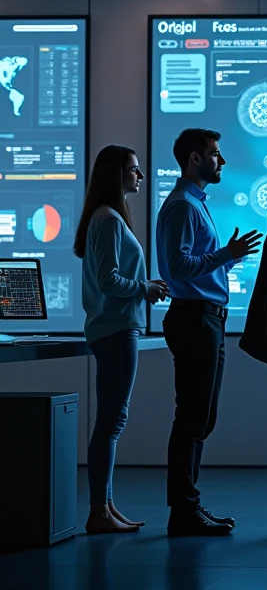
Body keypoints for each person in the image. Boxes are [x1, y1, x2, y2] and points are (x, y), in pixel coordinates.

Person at [156, 128, 263, 537]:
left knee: (201, 416)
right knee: (192, 418)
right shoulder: (183, 205)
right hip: (195, 319)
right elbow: (177, 268)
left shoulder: (195, 204)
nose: (222, 162)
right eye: (216, 155)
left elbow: (194, 267)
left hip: (206, 317)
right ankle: (184, 511)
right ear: (195, 160)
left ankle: (187, 507)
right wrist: (225, 255)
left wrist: (226, 261)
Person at [75, 145, 169, 534]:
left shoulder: (105, 218)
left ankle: (106, 506)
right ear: (117, 175)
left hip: (115, 329)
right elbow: (109, 281)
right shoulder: (109, 220)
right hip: (116, 329)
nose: (140, 177)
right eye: (134, 170)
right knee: (111, 422)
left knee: (112, 420)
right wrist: (144, 288)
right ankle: (99, 510)